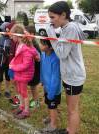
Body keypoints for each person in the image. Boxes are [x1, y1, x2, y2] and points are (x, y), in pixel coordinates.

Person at [47, 1, 86, 134]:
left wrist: (51, 35)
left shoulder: (70, 28)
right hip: (70, 75)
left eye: (52, 17)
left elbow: (61, 54)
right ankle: (69, 130)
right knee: (71, 108)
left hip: (73, 76)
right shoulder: (68, 28)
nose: (51, 21)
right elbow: (63, 48)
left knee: (72, 109)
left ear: (63, 15)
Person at [9, 24, 39, 119]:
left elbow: (26, 65)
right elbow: (18, 58)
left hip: (24, 74)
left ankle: (26, 111)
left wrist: (14, 67)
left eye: (12, 35)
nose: (11, 37)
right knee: (20, 91)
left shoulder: (25, 48)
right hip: (19, 73)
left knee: (24, 93)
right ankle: (21, 107)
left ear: (17, 35)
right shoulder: (20, 45)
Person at [39, 36, 61, 133]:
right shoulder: (43, 55)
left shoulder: (55, 59)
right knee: (48, 104)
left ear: (51, 47)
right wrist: (42, 80)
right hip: (47, 87)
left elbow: (55, 78)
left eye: (43, 44)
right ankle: (50, 118)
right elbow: (42, 69)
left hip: (54, 89)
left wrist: (52, 92)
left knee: (53, 106)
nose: (40, 45)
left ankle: (53, 126)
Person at [25, 25, 42, 110]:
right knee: (32, 85)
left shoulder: (34, 44)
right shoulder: (29, 42)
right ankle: (34, 99)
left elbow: (38, 57)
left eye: (26, 33)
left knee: (33, 86)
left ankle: (36, 102)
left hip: (36, 68)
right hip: (31, 67)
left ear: (32, 34)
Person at [0, 22, 11, 98]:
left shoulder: (11, 40)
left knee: (8, 77)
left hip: (8, 63)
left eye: (4, 30)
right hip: (0, 62)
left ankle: (7, 90)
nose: (3, 32)